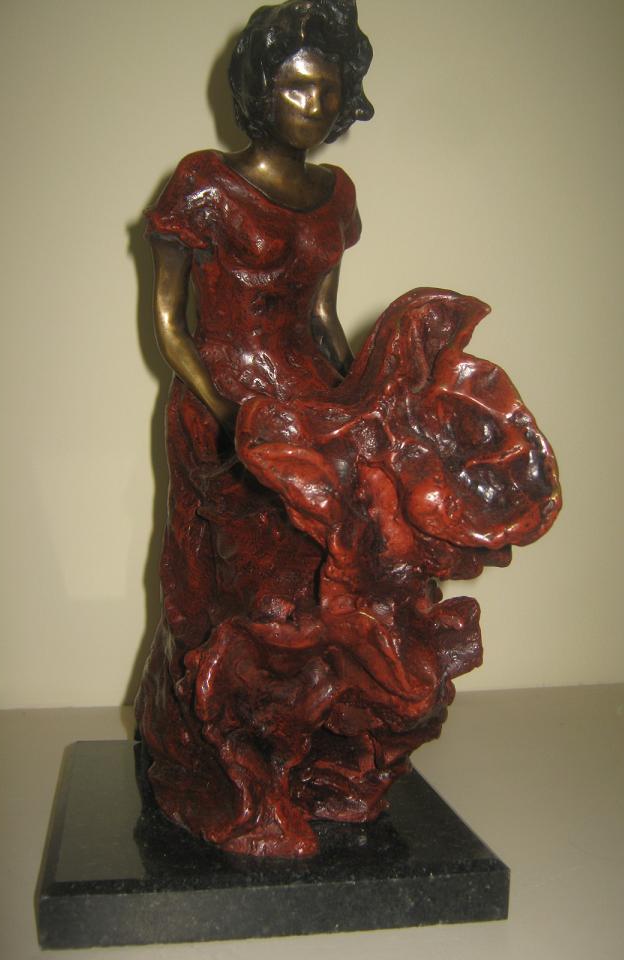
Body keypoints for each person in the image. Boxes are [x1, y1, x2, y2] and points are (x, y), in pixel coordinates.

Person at [135, 0, 561, 858]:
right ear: (259, 89)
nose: (314, 105)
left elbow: (324, 319)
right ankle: (224, 754)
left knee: (332, 574)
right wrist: (229, 413)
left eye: (328, 90)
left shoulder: (336, 196)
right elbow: (172, 325)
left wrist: (360, 406)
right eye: (297, 87)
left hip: (304, 399)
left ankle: (315, 753)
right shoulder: (202, 185)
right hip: (220, 409)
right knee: (242, 585)